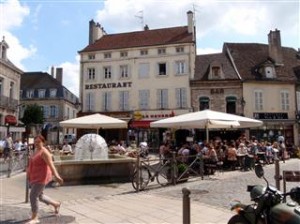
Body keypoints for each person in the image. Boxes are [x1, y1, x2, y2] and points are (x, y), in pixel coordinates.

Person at [26, 135, 63, 224]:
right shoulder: (35, 151)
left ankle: (35, 217)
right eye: (35, 142)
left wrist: (57, 176)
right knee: (40, 196)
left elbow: (51, 165)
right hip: (34, 176)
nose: (37, 143)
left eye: (38, 142)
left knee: (33, 196)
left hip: (41, 177)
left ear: (43, 142)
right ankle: (56, 204)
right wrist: (28, 173)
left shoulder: (44, 152)